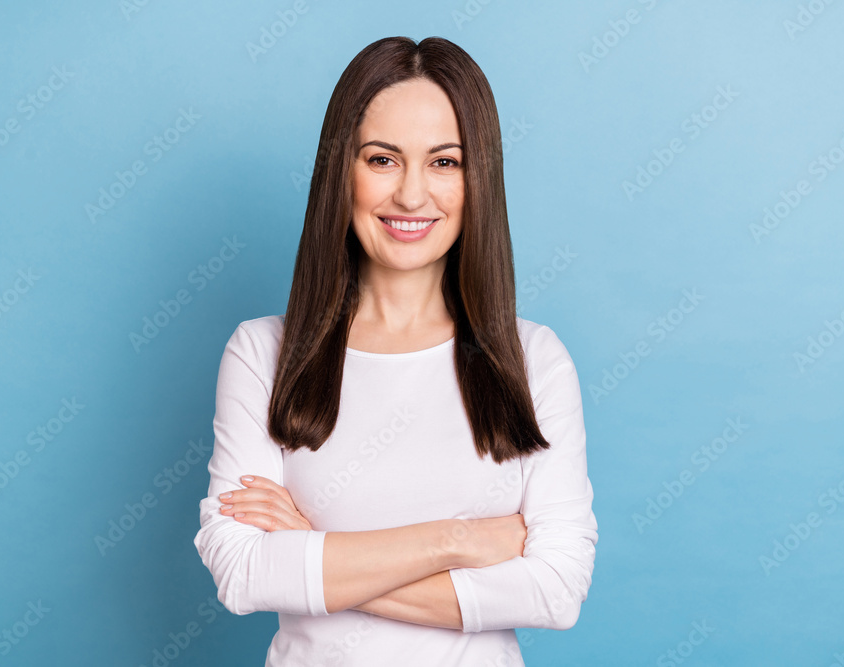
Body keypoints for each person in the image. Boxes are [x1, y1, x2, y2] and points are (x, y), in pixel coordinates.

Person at [193, 35, 598, 666]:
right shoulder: (262, 353)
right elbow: (243, 572)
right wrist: (456, 541)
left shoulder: (533, 360)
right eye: (382, 160)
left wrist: (315, 551)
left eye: (445, 162)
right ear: (341, 170)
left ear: (478, 177)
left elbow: (556, 590)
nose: (412, 195)